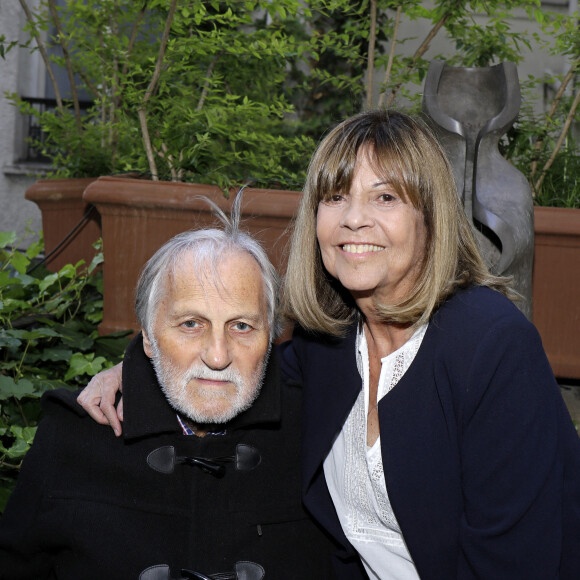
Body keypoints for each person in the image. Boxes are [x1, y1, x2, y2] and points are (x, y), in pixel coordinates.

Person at [78, 110, 580, 579]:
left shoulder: (491, 345)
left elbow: (514, 562)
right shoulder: (328, 346)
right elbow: (230, 365)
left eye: (385, 197)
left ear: (430, 217)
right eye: (335, 197)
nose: (353, 219)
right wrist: (130, 372)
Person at [0, 199, 338, 579]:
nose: (217, 355)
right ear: (148, 335)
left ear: (271, 337)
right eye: (191, 324)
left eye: (241, 326)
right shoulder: (71, 438)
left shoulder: (317, 439)